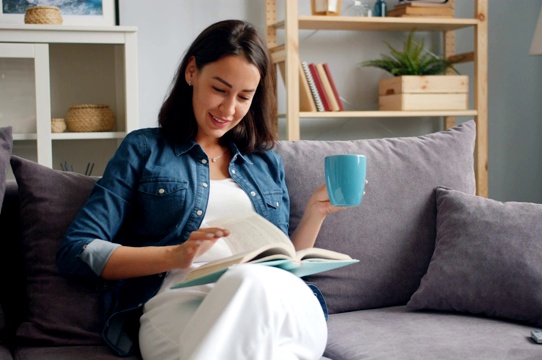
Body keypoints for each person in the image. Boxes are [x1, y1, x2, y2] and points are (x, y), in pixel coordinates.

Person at [57, 19, 349, 360]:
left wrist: (316, 213)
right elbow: (77, 250)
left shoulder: (265, 162)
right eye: (220, 89)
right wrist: (176, 255)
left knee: (269, 285)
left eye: (244, 97)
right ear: (192, 71)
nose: (228, 110)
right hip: (180, 307)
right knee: (252, 287)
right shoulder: (145, 149)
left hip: (276, 304)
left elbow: (283, 261)